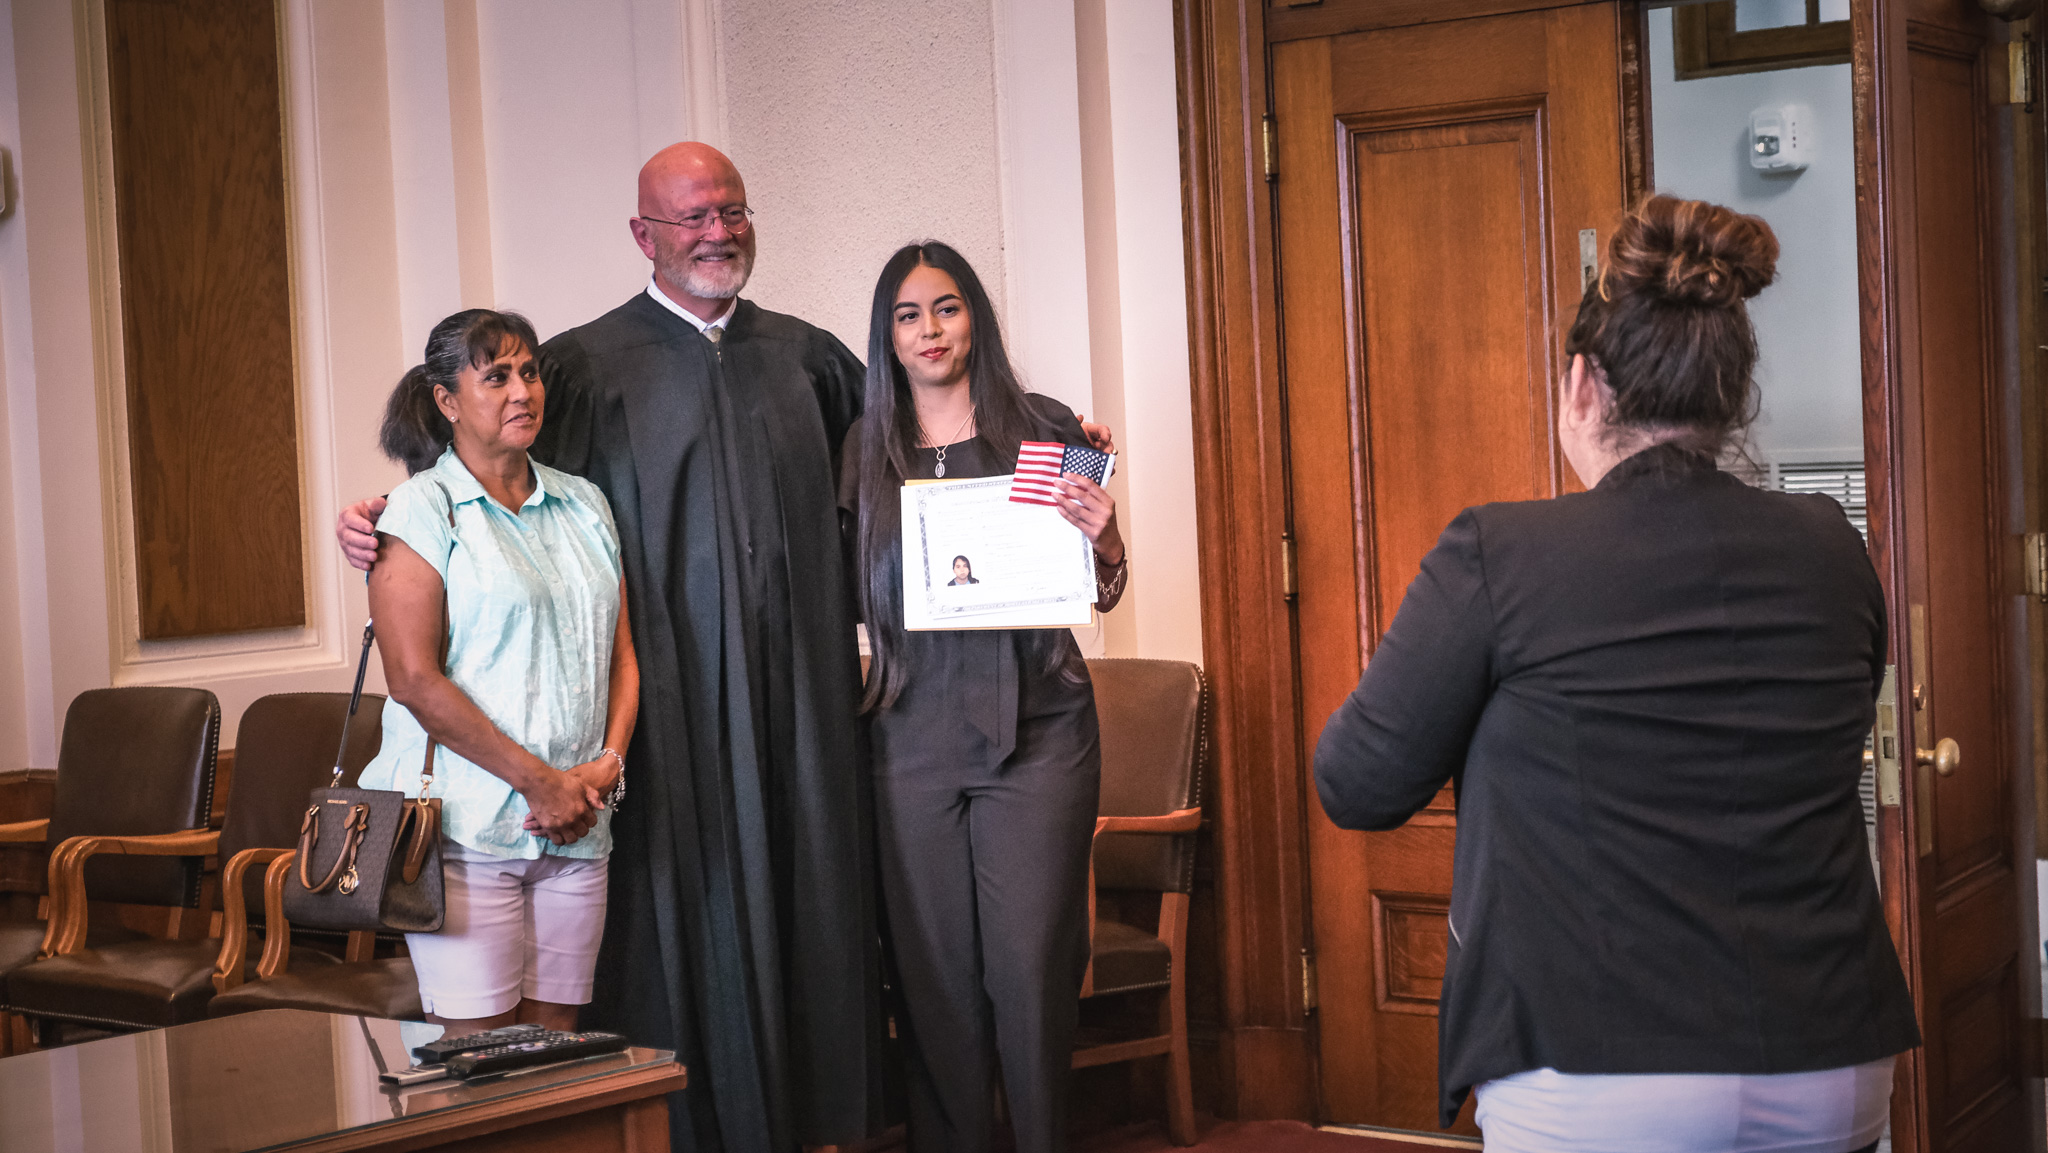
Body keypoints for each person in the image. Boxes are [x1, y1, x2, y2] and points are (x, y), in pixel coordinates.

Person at [1312, 196, 1918, 1153]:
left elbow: (1357, 782)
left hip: (1600, 1062)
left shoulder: (1499, 553)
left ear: (1583, 385)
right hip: (1830, 1048)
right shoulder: (1830, 548)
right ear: (1730, 394)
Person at [339, 144, 886, 1153]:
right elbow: (472, 476)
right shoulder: (587, 365)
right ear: (645, 236)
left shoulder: (810, 359)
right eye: (691, 217)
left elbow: (910, 454)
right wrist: (374, 524)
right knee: (647, 956)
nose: (717, 231)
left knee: (804, 908)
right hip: (659, 736)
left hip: (794, 711)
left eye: (732, 209)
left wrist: (1054, 448)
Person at [839, 241, 1128, 1153]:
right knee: (934, 979)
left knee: (1033, 967)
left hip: (1039, 732)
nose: (931, 330)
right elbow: (847, 597)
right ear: (887, 336)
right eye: (909, 314)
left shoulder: (1044, 429)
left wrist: (1106, 540)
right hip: (908, 735)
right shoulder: (863, 450)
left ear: (976, 319)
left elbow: (1094, 584)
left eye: (948, 308)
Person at [361, 308, 636, 1034]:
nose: (523, 391)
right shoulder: (420, 511)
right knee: (478, 1059)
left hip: (578, 824)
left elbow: (622, 657)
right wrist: (538, 780)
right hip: (464, 831)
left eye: (529, 371)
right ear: (448, 400)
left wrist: (603, 767)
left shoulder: (585, 502)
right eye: (496, 376)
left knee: (555, 1055)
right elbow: (415, 681)